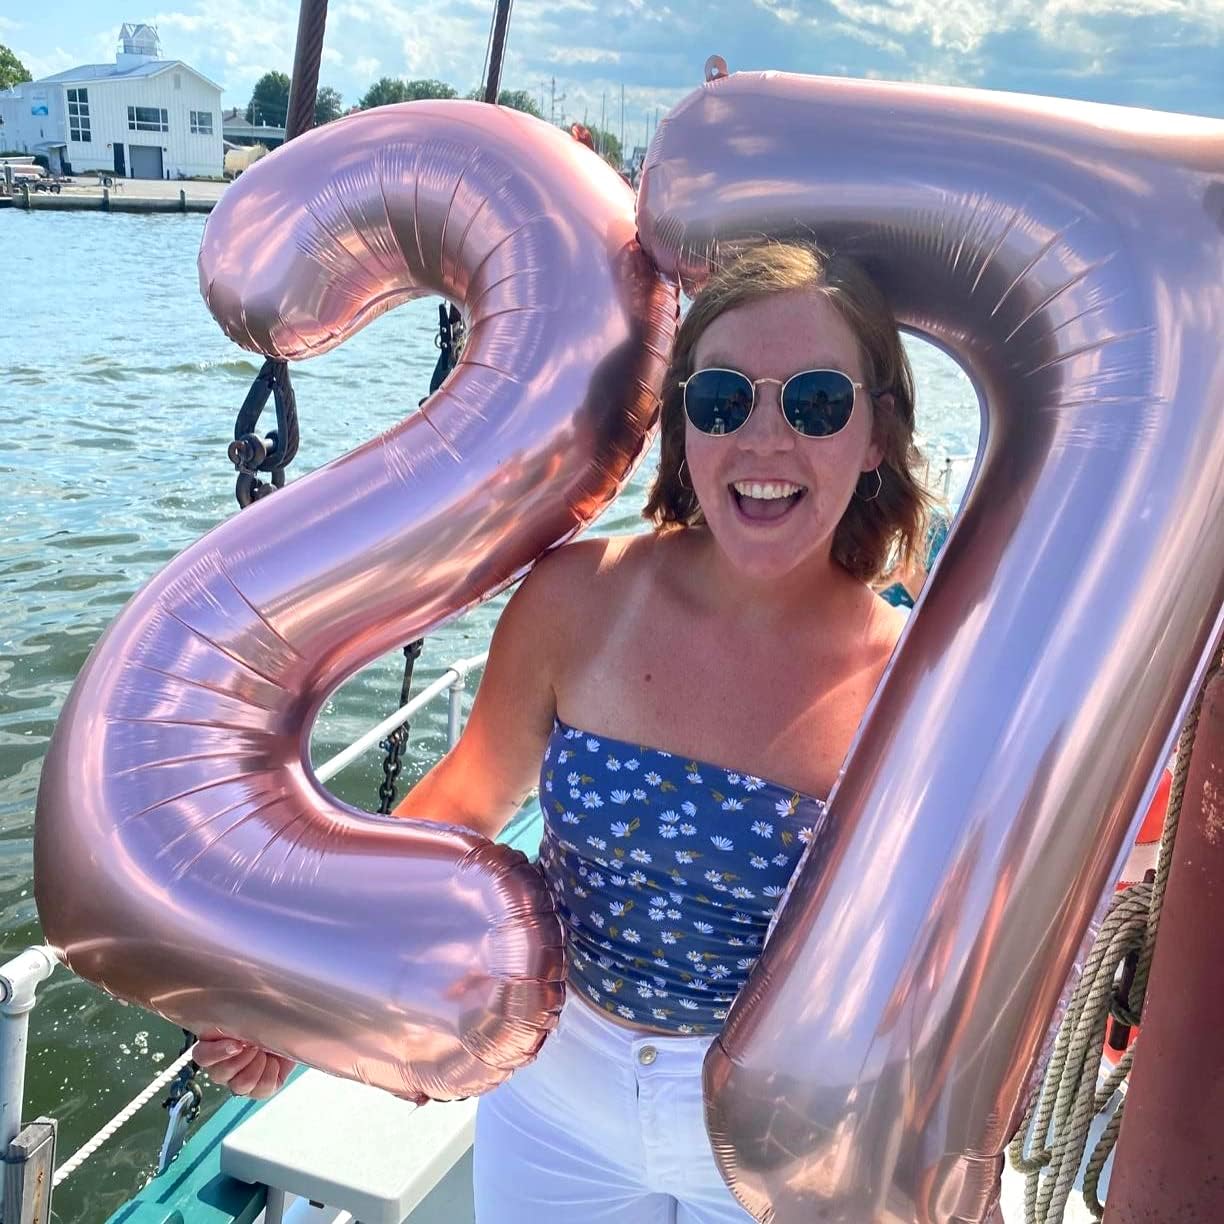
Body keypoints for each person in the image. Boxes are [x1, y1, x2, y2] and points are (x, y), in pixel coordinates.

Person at [194, 241, 936, 1221]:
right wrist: (295, 994)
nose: (765, 441)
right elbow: (466, 801)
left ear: (878, 434)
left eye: (817, 402)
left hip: (778, 1134)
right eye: (723, 399)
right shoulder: (577, 598)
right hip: (554, 1097)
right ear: (683, 423)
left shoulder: (920, 685)